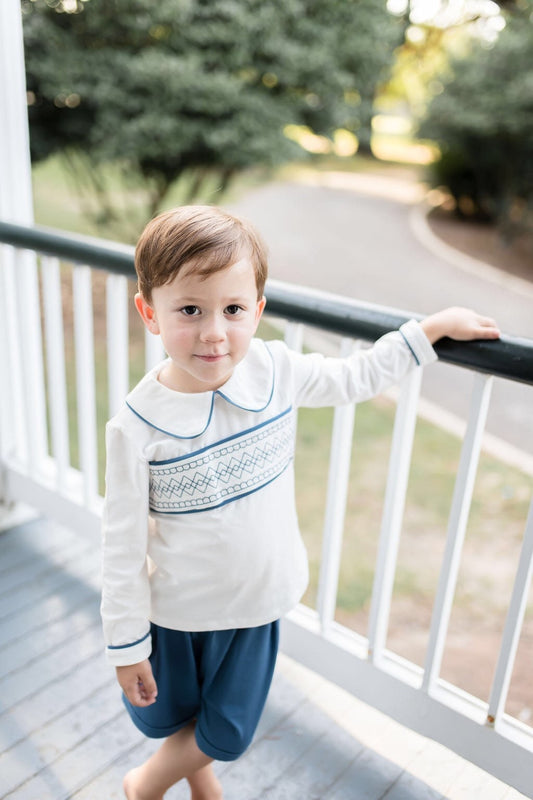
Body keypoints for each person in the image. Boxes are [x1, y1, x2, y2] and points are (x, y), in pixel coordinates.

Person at [100, 205, 500, 800]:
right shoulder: (136, 427)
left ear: (258, 310)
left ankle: (144, 784)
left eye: (234, 309)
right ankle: (200, 786)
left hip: (257, 603)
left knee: (227, 729)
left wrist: (429, 330)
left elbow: (355, 377)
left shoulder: (275, 370)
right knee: (169, 714)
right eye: (190, 310)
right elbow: (122, 546)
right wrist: (126, 644)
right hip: (177, 612)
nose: (214, 332)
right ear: (149, 313)